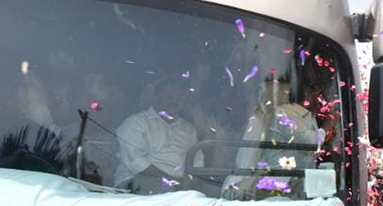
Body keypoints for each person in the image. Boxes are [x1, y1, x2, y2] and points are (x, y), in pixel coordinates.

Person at [222, 69, 318, 199]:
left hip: (278, 187)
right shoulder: (282, 114)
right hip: (256, 186)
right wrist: (329, 124)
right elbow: (311, 142)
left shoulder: (301, 117)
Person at [115, 79, 200, 194]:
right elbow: (135, 161)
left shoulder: (188, 129)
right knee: (166, 191)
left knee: (215, 193)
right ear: (156, 97)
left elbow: (197, 162)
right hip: (136, 182)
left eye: (179, 98)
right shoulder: (136, 123)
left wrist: (190, 181)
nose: (174, 101)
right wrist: (172, 181)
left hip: (180, 186)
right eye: (169, 96)